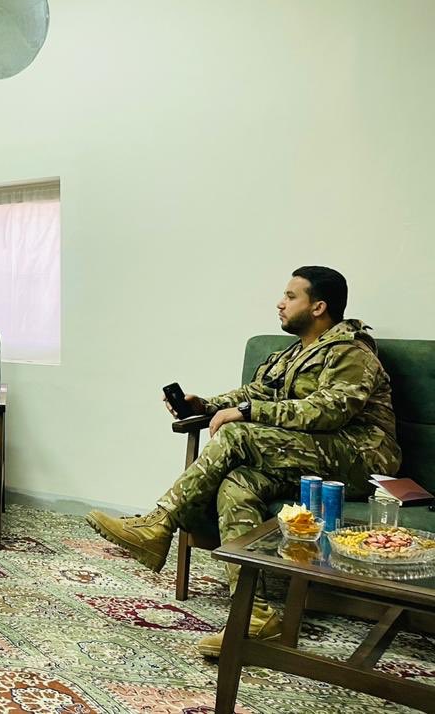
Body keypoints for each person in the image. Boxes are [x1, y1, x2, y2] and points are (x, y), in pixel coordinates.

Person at [86, 266, 399, 657]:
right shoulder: (292, 353)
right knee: (238, 484)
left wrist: (248, 413)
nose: (280, 303)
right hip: (306, 457)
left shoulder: (352, 353)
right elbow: (255, 392)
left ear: (318, 306)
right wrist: (208, 405)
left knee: (237, 434)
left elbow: (328, 412)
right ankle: (255, 614)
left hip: (358, 457)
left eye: (291, 296)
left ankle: (159, 524)